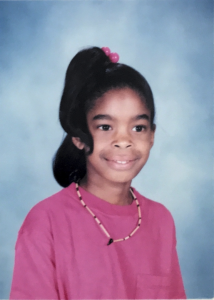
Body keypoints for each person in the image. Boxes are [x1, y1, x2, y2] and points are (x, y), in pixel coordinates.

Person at [10, 46, 186, 299]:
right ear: (79, 137)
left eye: (138, 127)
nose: (123, 141)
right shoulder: (45, 222)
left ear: (152, 136)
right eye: (105, 126)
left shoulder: (161, 220)